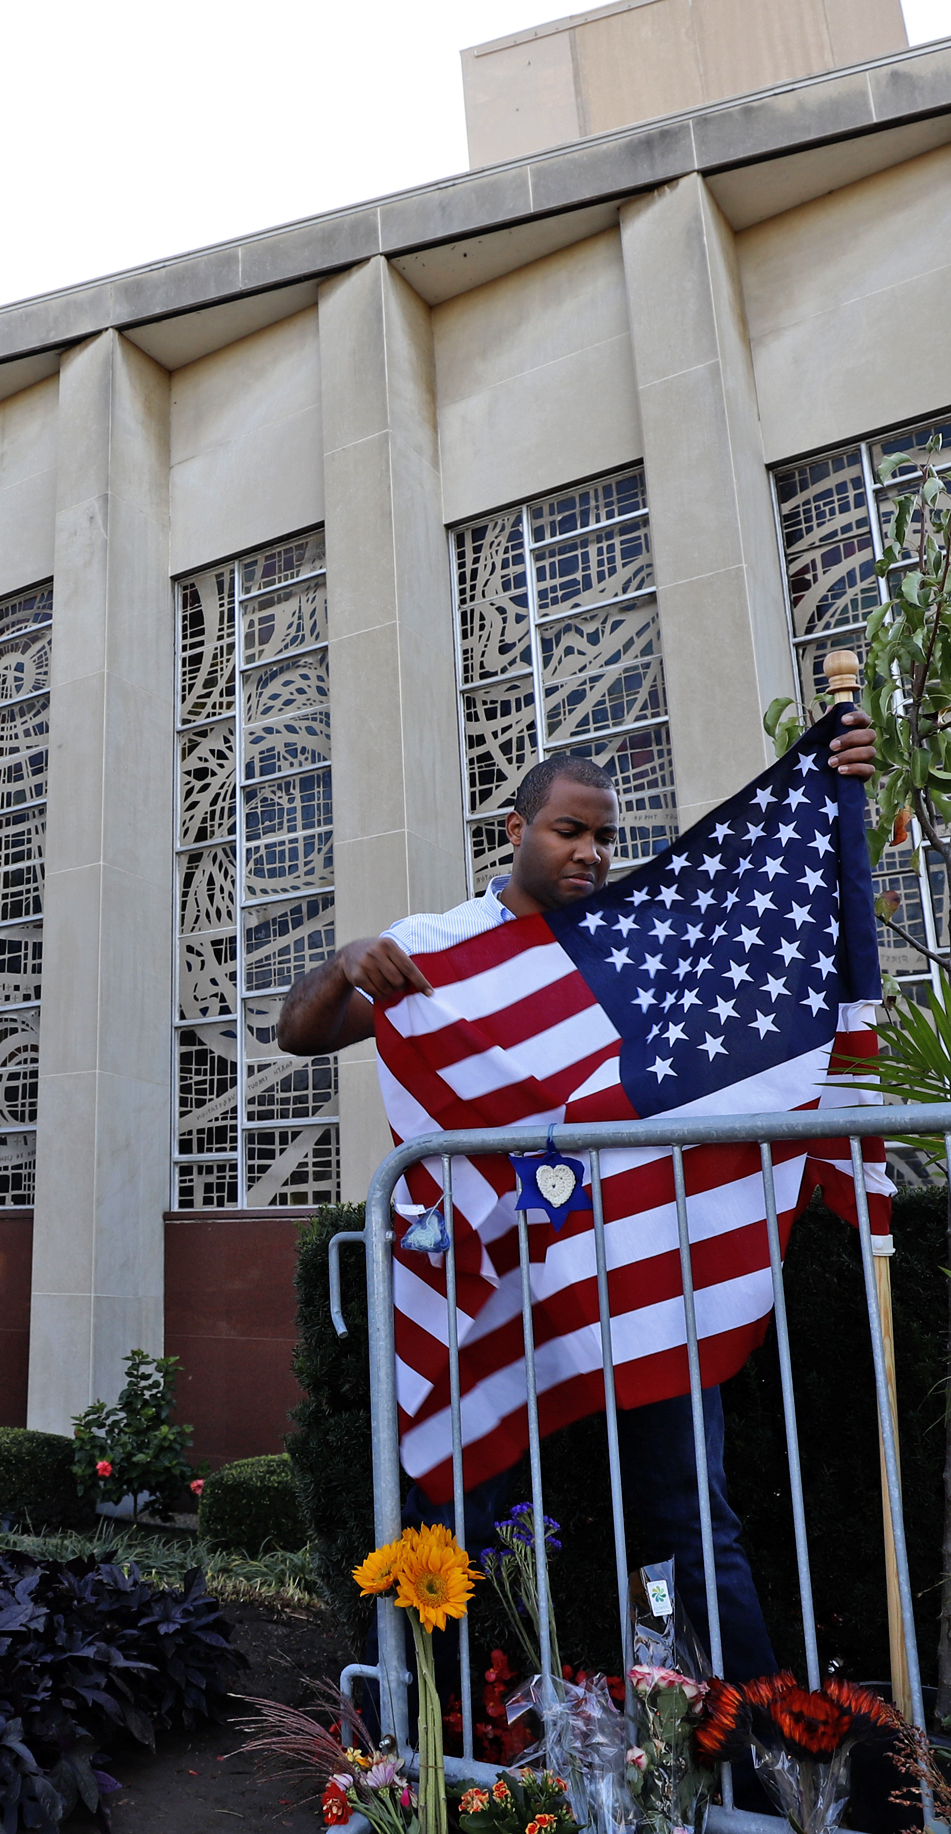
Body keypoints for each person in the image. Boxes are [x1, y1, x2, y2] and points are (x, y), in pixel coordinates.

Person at [277, 711, 879, 1682]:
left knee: (693, 1521)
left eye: (605, 836)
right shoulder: (439, 948)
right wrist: (349, 961)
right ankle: (447, 1748)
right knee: (458, 1520)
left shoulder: (641, 942)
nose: (592, 852)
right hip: (498, 1280)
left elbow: (783, 939)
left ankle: (761, 1760)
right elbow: (298, 1033)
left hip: (645, 1278)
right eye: (570, 830)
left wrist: (840, 793)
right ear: (516, 830)